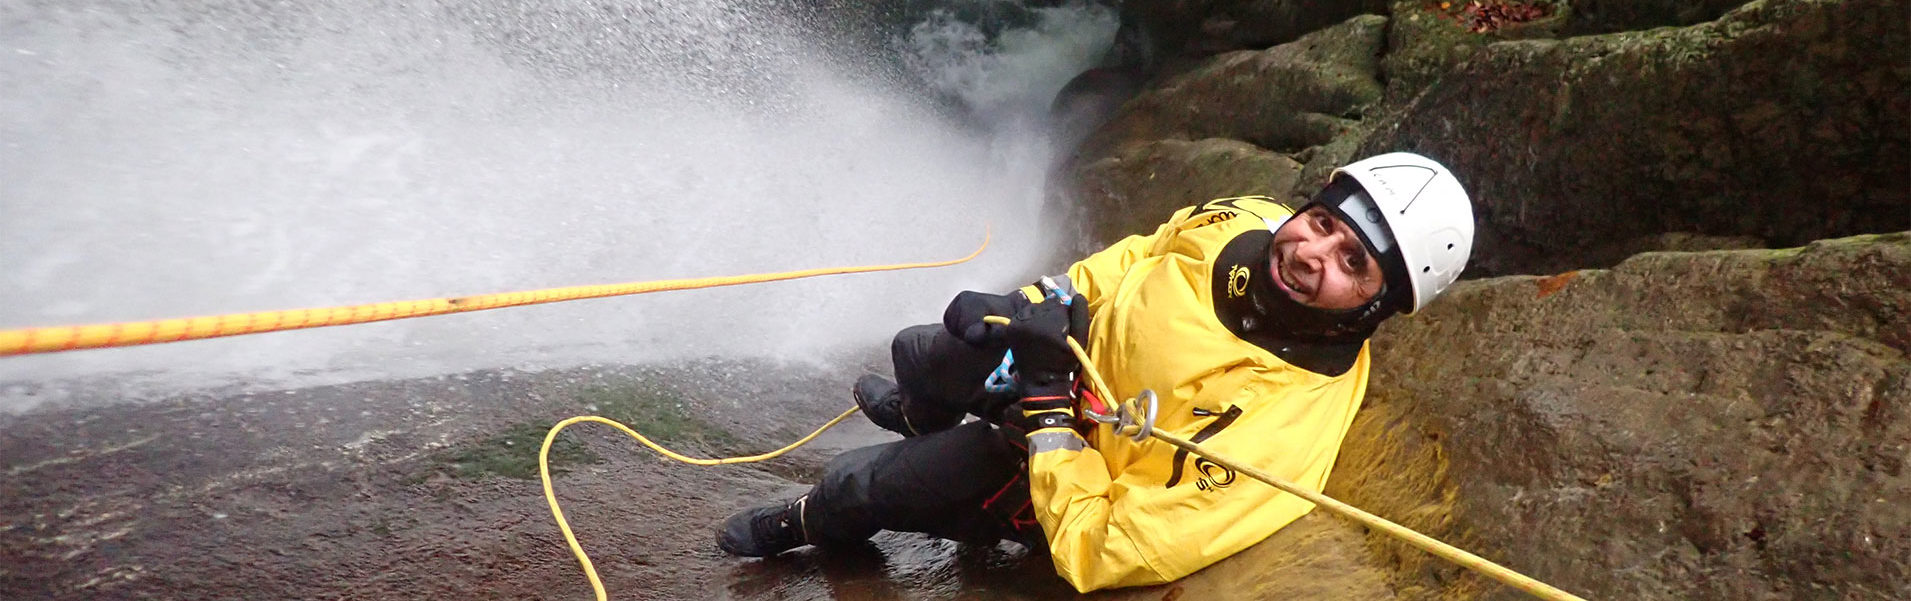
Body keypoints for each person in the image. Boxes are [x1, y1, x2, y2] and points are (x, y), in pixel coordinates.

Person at [715, 152, 1476, 592]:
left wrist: (1048, 413)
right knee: (921, 348)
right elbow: (1140, 254)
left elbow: (1107, 547)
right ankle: (925, 407)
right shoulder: (1243, 218)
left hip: (1057, 463)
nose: (1311, 253)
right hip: (1057, 362)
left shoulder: (1282, 425)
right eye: (1322, 221)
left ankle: (809, 520)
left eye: (1352, 263)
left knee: (862, 482)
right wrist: (1044, 302)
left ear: (1378, 307)